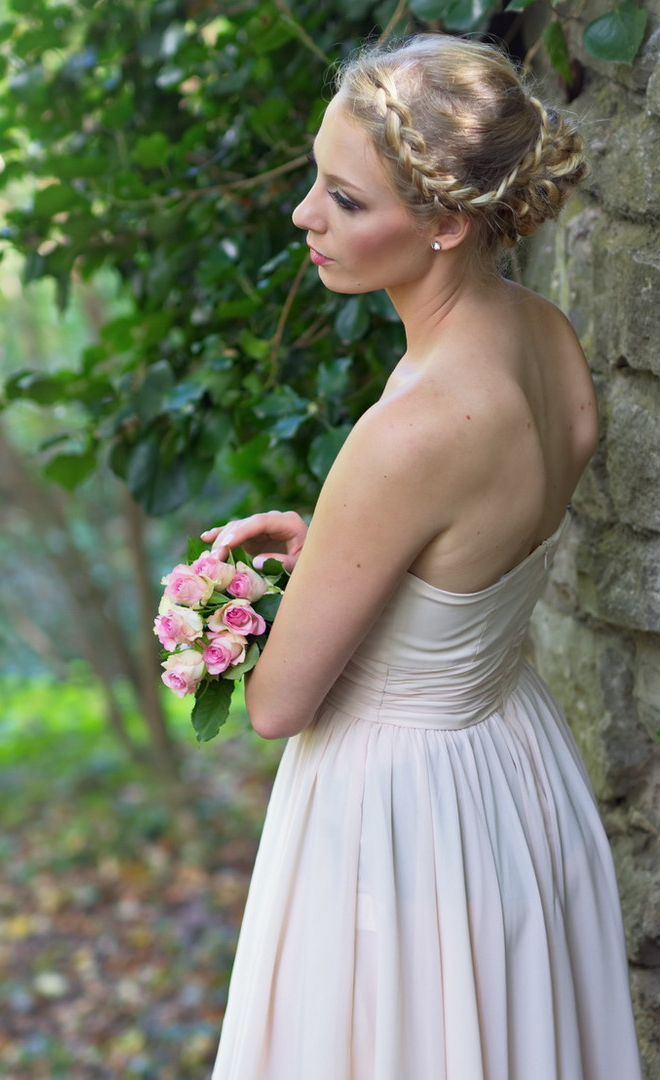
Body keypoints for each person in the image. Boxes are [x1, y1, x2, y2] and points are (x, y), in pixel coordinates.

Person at [203, 33, 642, 1080]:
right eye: (318, 175)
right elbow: (472, 557)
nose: (305, 212)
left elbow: (276, 706)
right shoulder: (548, 339)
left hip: (404, 814)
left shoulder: (409, 432)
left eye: (345, 200)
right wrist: (341, 555)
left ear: (447, 221)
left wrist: (233, 612)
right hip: (513, 771)